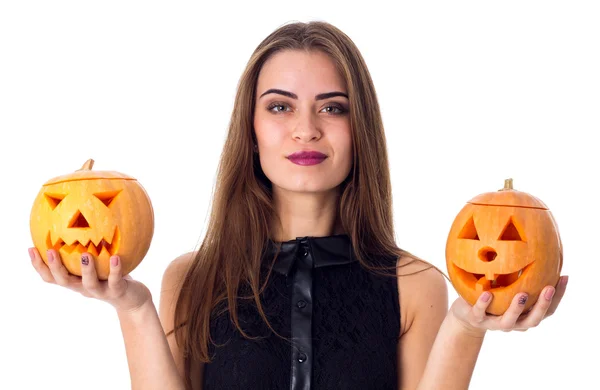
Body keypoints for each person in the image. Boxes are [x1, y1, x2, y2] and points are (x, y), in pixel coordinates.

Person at [29, 20, 568, 390]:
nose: (305, 129)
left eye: (332, 108)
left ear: (361, 131)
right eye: (280, 106)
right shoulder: (192, 278)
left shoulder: (415, 283)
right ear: (252, 128)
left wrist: (466, 328)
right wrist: (135, 308)